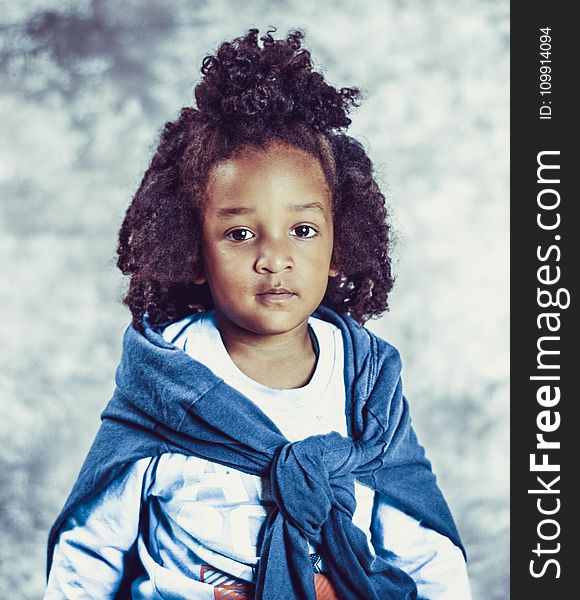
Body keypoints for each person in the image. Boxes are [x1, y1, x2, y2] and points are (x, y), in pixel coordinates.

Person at [44, 29, 471, 600]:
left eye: (302, 230)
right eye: (240, 233)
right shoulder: (167, 380)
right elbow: (91, 549)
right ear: (193, 252)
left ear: (338, 245)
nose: (275, 258)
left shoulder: (365, 381)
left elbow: (420, 541)